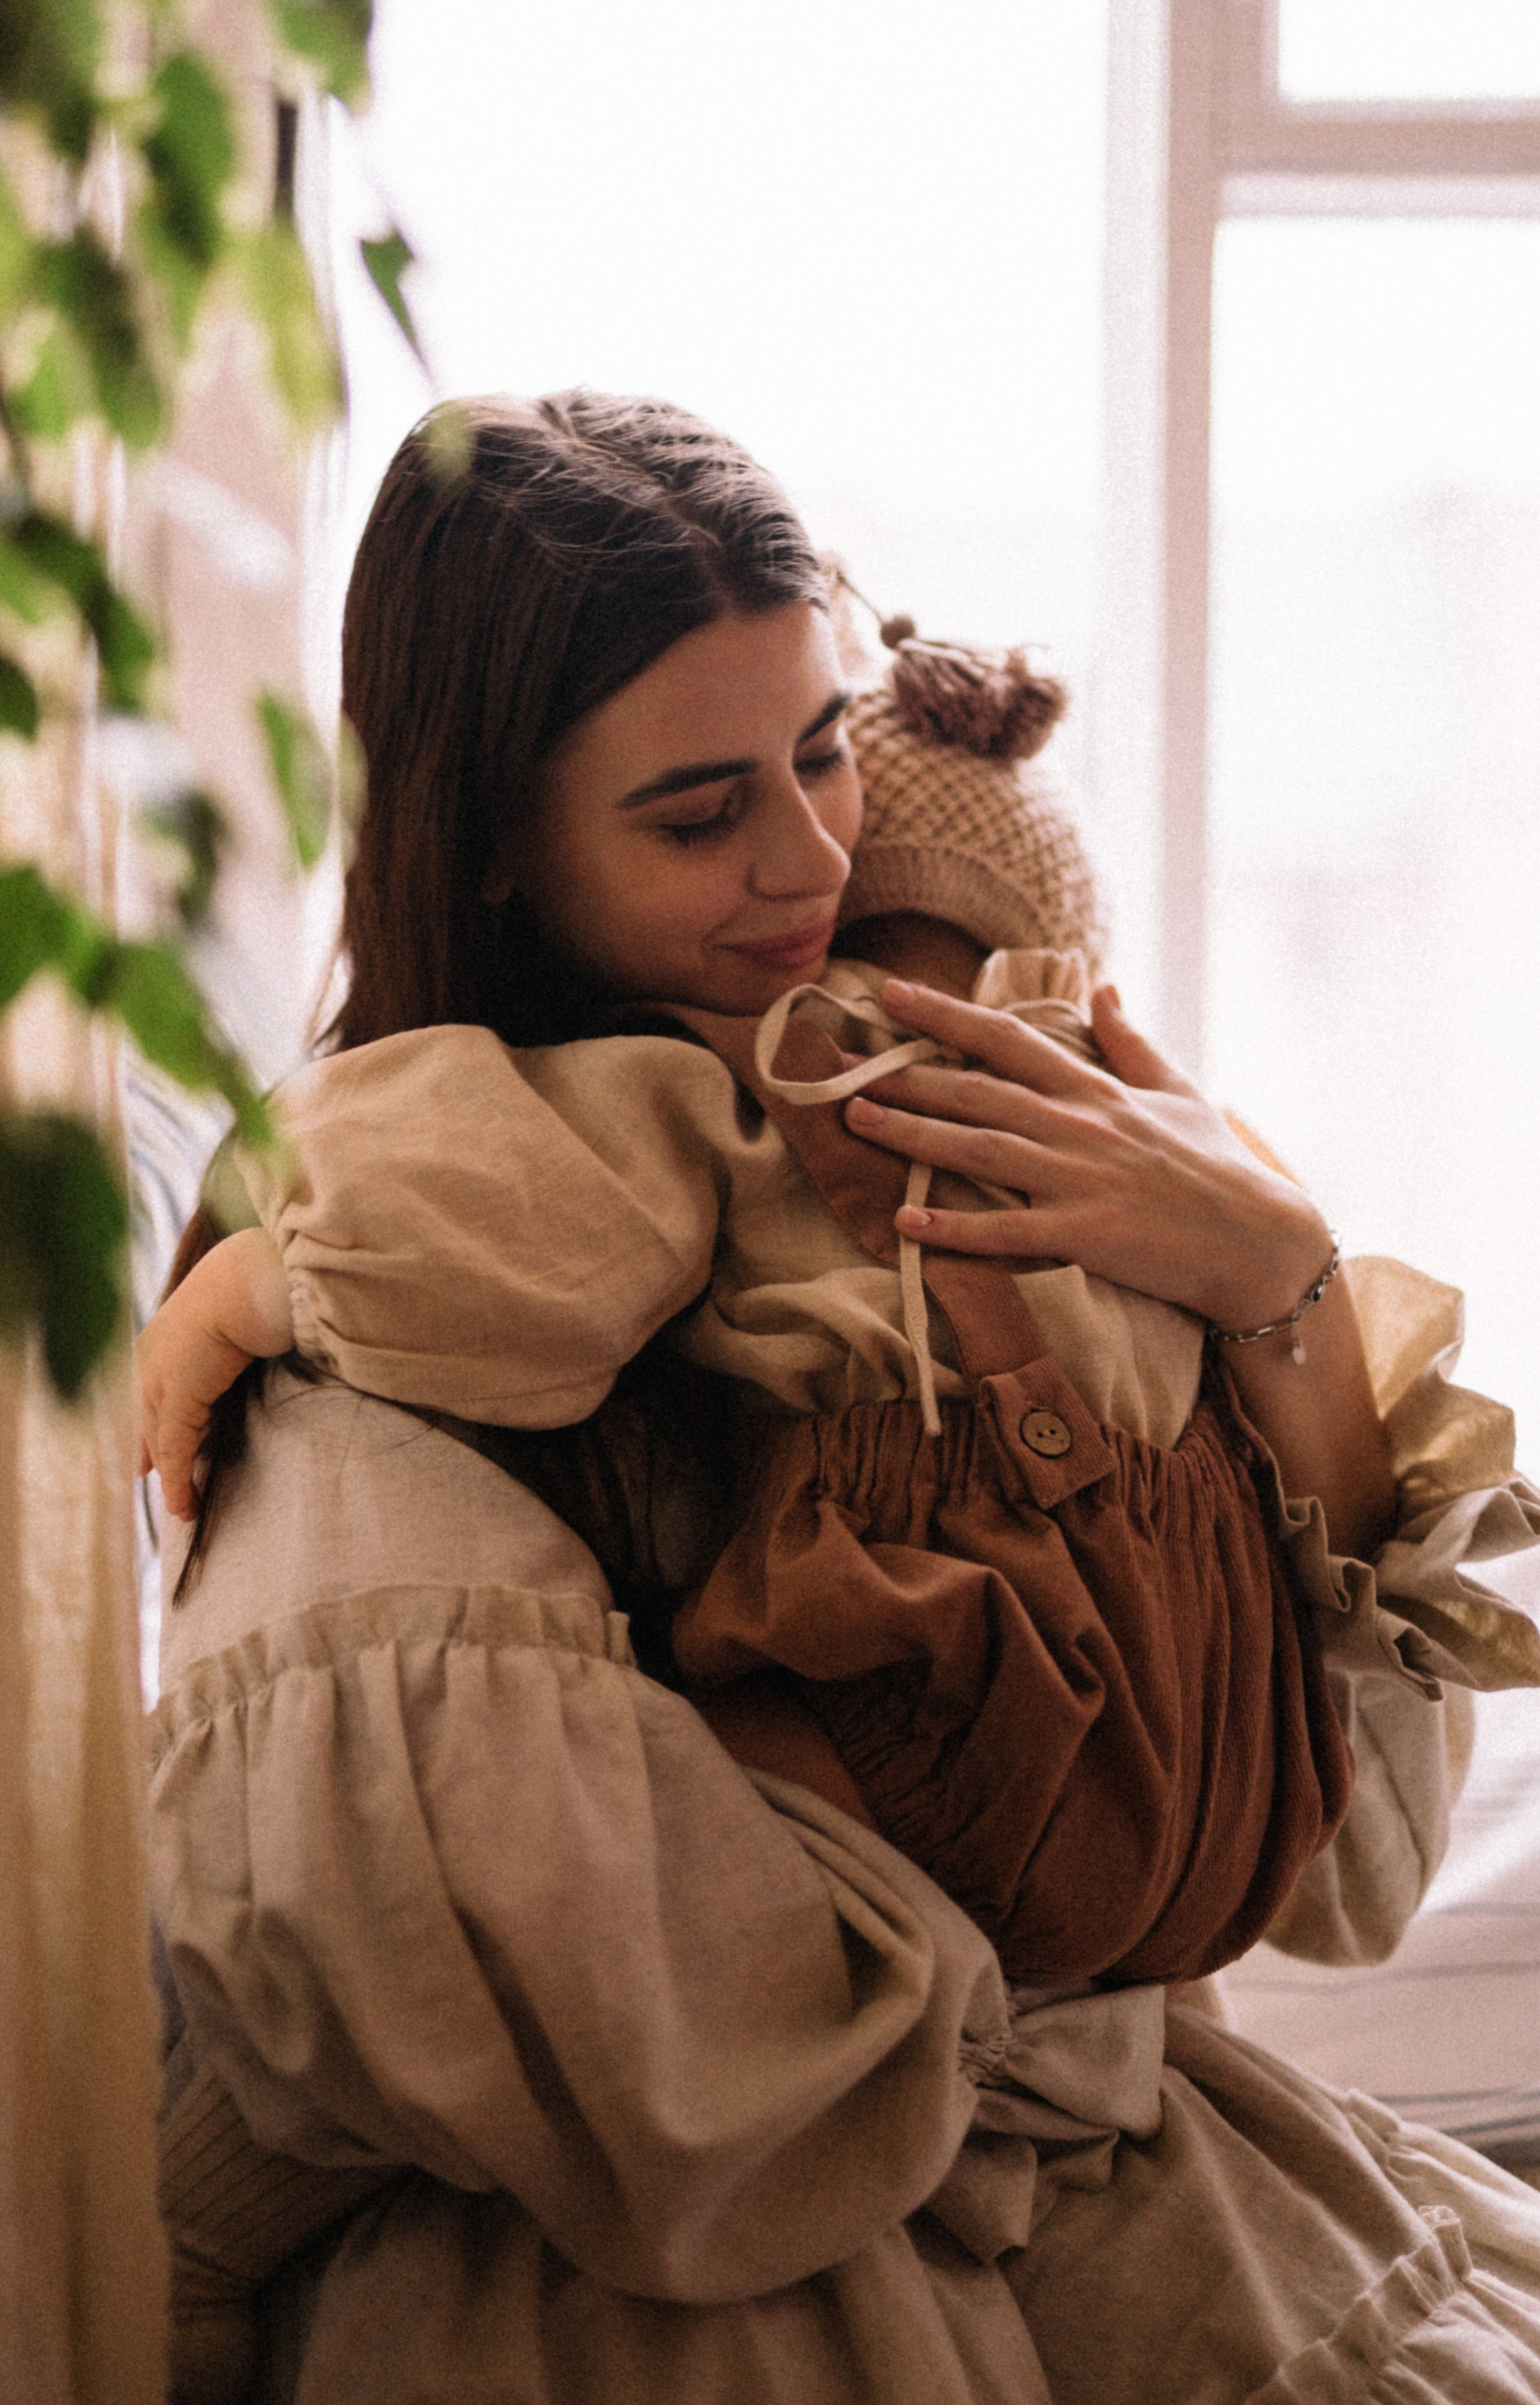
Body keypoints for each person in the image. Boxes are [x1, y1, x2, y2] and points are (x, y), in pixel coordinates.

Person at [146, 390, 1540, 2404]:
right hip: (697, 2296)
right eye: (699, 813)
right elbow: (681, 2062)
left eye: (822, 756)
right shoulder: (416, 1250)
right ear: (497, 846)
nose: (809, 861)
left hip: (1150, 2190)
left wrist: (1279, 1286)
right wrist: (269, 1277)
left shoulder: (1002, 1126)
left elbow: (1337, 1868)